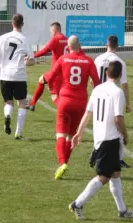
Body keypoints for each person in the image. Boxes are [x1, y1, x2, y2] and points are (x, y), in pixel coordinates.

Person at [69, 61, 133, 220]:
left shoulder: (97, 89)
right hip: (110, 140)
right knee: (104, 176)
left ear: (107, 73)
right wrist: (126, 135)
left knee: (116, 173)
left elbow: (87, 113)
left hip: (100, 138)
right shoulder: (117, 92)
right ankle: (77, 204)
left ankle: (122, 210)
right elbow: (118, 118)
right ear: (120, 75)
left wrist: (79, 133)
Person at [42, 35, 100, 179]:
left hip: (65, 100)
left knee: (60, 134)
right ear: (80, 46)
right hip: (80, 102)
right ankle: (64, 163)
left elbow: (50, 77)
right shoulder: (88, 61)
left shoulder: (63, 59)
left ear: (68, 47)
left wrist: (52, 91)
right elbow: (97, 82)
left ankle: (62, 163)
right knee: (71, 137)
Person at [0, 14, 35, 140]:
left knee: (9, 102)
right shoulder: (25, 39)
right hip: (18, 74)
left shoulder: (2, 38)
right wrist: (28, 62)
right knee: (22, 103)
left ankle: (7, 116)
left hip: (4, 74)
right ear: (22, 24)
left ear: (12, 23)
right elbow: (31, 61)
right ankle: (18, 132)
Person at [94, 35, 132, 169]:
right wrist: (128, 103)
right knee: (118, 125)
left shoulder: (98, 59)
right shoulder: (119, 62)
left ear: (106, 44)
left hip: (99, 95)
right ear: (117, 46)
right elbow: (125, 84)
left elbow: (92, 79)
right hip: (113, 95)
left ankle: (98, 152)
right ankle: (118, 159)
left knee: (101, 125)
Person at [27, 22, 68, 111]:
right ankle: (32, 104)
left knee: (55, 96)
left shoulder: (56, 39)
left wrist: (33, 56)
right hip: (65, 71)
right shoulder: (66, 39)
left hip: (56, 72)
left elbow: (45, 50)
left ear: (54, 30)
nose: (51, 34)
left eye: (51, 32)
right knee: (42, 80)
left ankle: (65, 112)